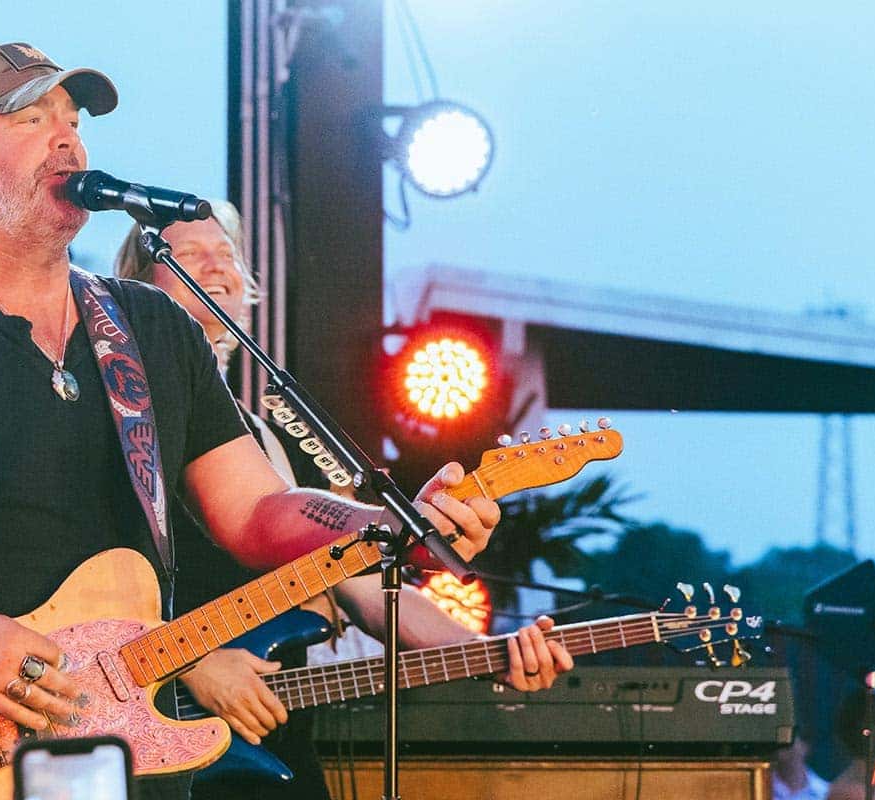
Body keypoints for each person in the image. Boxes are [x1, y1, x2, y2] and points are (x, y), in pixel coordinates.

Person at [0, 42, 505, 799]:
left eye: (73, 117)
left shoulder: (151, 326)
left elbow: (253, 512)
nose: (67, 136)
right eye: (30, 117)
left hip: (134, 743)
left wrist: (388, 519)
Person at [114, 204, 573, 798]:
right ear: (138, 286)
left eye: (226, 253)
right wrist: (188, 663)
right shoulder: (123, 424)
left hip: (271, 748)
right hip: (140, 740)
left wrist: (489, 652)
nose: (216, 266)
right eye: (188, 253)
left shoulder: (283, 445)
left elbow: (364, 589)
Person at [772, 726, 829, 800]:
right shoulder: (762, 789)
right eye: (779, 743)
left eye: (788, 741)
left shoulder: (825, 793)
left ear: (805, 746)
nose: (782, 748)